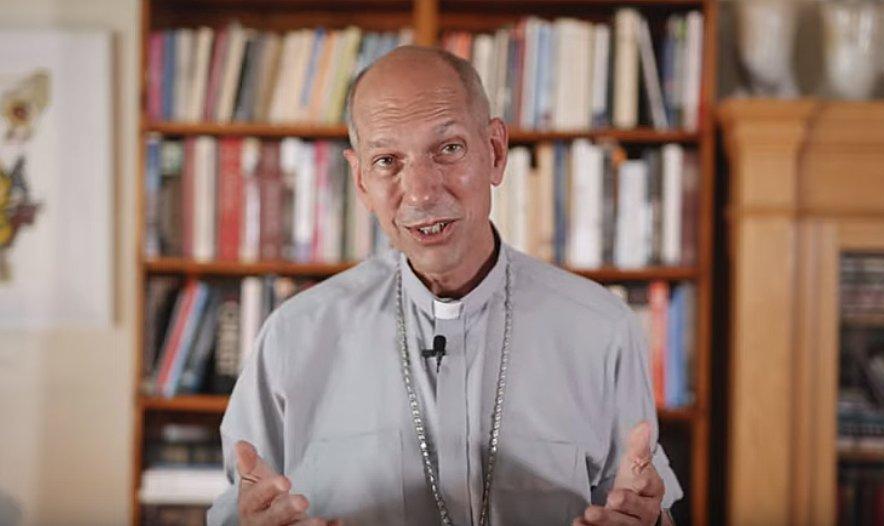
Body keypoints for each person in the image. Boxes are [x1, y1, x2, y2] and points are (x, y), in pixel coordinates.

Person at [207, 45, 682, 526]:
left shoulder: (601, 329)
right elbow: (238, 508)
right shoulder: (294, 336)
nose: (421, 191)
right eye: (387, 160)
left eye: (448, 149)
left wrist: (651, 521)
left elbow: (641, 506)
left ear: (495, 152)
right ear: (361, 182)